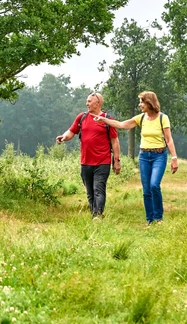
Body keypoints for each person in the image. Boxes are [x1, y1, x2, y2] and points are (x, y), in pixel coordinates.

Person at [92, 91, 178, 225]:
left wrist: (174, 158)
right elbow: (121, 125)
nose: (140, 105)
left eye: (142, 102)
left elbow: (169, 139)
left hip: (159, 156)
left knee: (154, 185)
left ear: (150, 103)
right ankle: (150, 220)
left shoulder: (163, 118)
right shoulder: (141, 118)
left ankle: (158, 218)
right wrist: (104, 119)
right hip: (144, 156)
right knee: (146, 189)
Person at [56, 92, 121, 220]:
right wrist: (63, 137)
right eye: (87, 101)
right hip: (86, 162)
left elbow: (115, 141)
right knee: (90, 192)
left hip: (103, 161)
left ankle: (98, 214)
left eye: (89, 101)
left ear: (98, 103)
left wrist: (117, 160)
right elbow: (71, 131)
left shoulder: (108, 120)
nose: (87, 104)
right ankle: (94, 214)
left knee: (98, 189)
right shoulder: (82, 117)